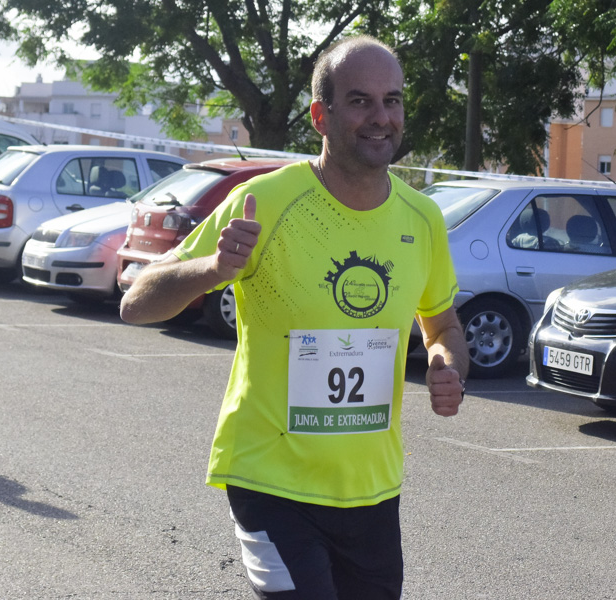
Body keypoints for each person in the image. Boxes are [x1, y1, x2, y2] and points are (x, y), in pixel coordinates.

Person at [120, 35, 470, 599]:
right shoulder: (265, 201)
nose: (381, 117)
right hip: (270, 479)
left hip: (372, 491)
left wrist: (446, 364)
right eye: (360, 102)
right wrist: (213, 266)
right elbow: (136, 302)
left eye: (393, 101)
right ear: (320, 116)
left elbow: (442, 323)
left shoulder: (423, 217)